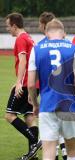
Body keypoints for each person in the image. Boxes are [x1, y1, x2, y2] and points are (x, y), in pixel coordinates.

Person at [28, 19, 75, 160]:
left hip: (47, 106)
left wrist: (35, 105)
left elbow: (31, 84)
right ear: (63, 33)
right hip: (70, 107)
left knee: (49, 150)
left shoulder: (36, 49)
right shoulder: (74, 49)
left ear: (46, 33)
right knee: (72, 150)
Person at [4, 12, 41, 160]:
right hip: (34, 82)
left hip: (26, 83)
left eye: (8, 26)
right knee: (29, 116)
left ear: (14, 25)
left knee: (9, 115)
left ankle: (35, 141)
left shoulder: (21, 39)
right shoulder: (29, 38)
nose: (7, 29)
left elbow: (23, 61)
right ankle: (32, 154)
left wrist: (19, 82)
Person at [38, 11, 67, 160]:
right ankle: (65, 152)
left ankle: (56, 153)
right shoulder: (66, 44)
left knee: (51, 130)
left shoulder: (40, 46)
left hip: (48, 93)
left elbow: (36, 75)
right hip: (65, 92)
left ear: (44, 26)